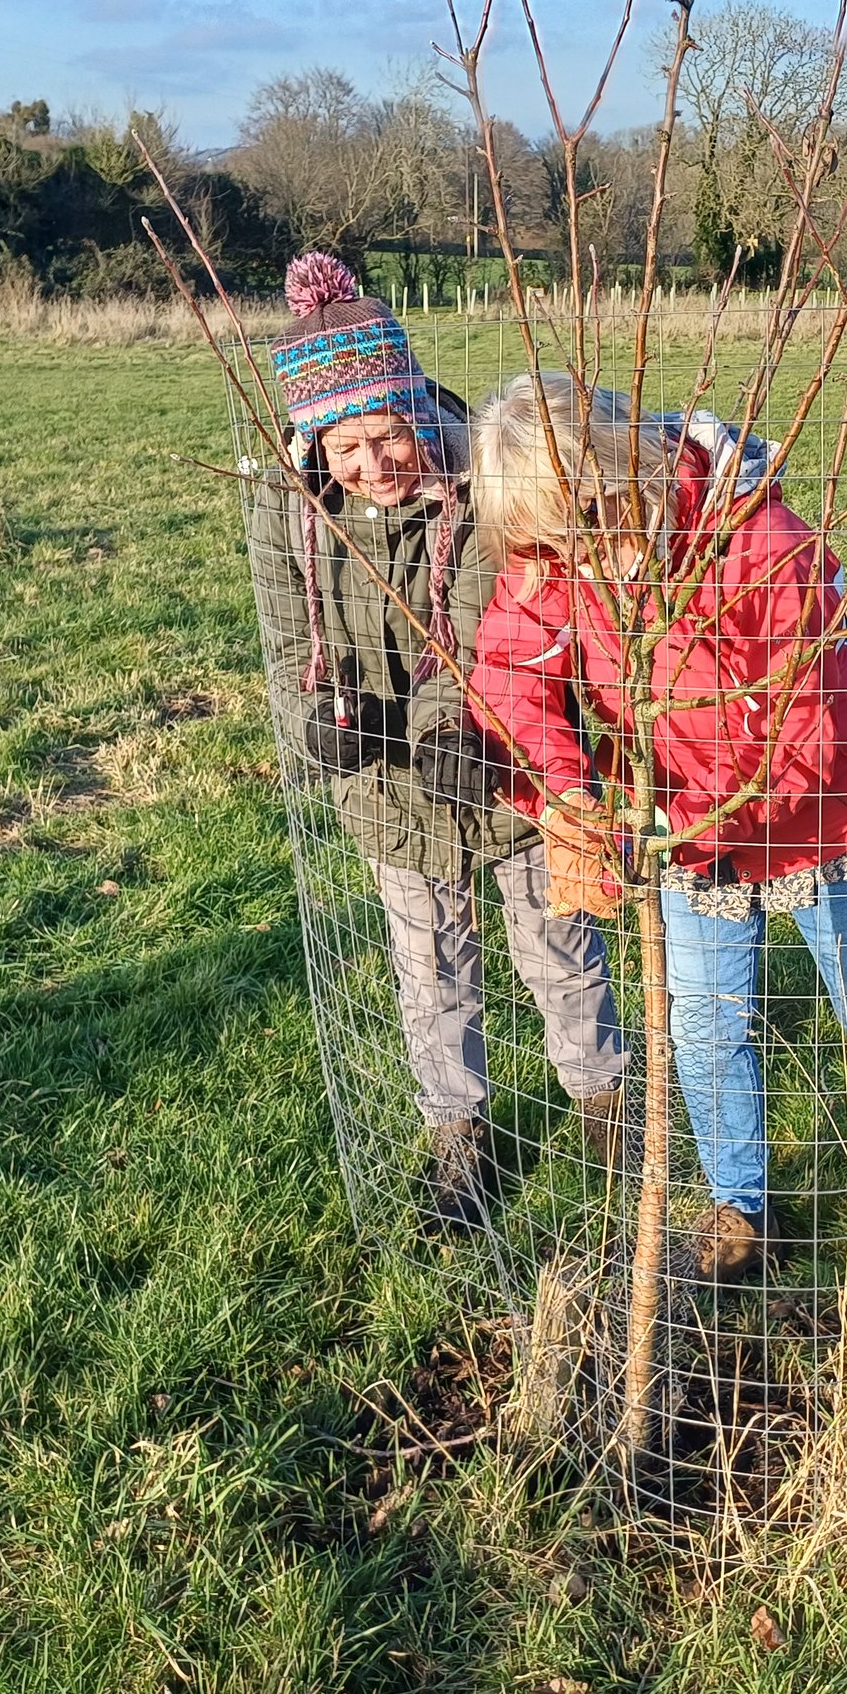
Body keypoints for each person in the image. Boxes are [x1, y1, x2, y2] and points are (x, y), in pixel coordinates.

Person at [464, 370, 847, 1295]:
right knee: (704, 1029)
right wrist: (572, 793)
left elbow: (805, 729)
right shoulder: (556, 556)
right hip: (681, 821)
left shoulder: (756, 540)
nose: (569, 568)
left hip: (833, 811)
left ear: (625, 479)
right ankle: (736, 1205)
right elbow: (511, 671)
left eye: (581, 537)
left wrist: (696, 827)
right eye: (546, 549)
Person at [251, 257, 627, 1232]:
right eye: (346, 446)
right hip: (383, 790)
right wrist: (320, 721)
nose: (375, 464)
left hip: (504, 766)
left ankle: (603, 1103)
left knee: (557, 945)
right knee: (429, 968)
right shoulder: (289, 514)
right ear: (311, 443)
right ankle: (455, 1137)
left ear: (418, 408)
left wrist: (450, 727)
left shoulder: (485, 480)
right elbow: (288, 639)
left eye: (390, 434)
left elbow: (486, 629)